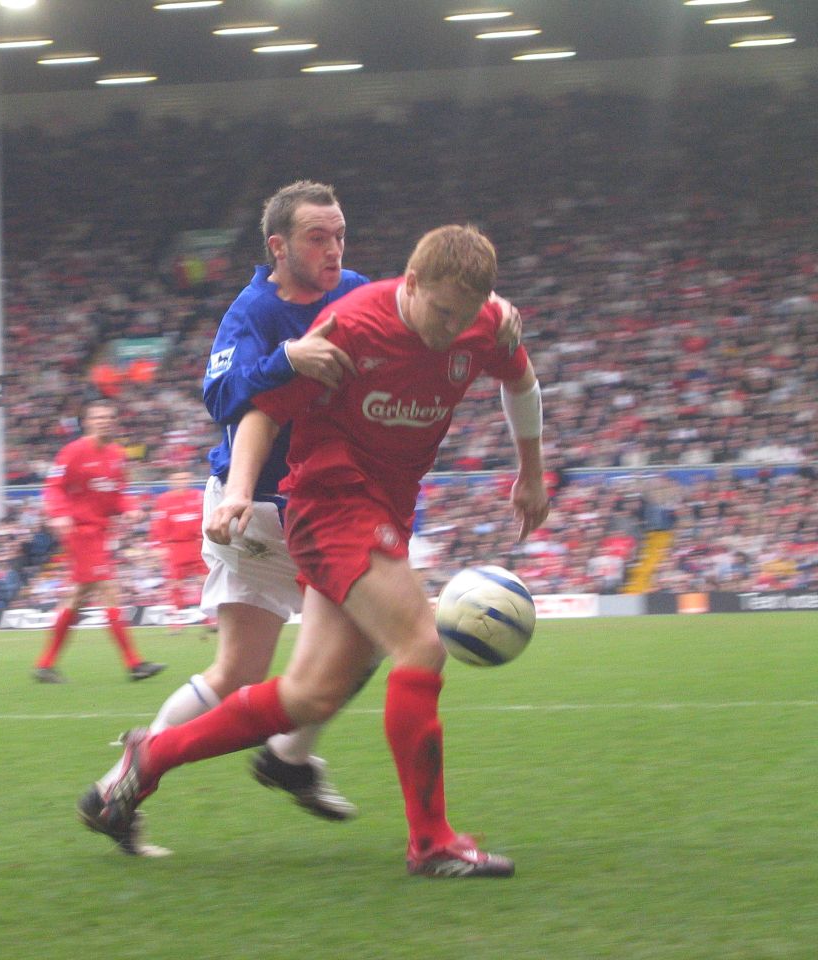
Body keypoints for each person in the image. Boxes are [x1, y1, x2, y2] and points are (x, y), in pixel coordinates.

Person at [81, 224, 549, 878]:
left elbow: (521, 381)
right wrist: (239, 491)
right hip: (330, 503)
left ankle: (149, 760)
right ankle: (432, 843)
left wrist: (531, 471)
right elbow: (262, 411)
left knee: (310, 696)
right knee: (421, 642)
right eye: (442, 312)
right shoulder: (350, 329)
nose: (452, 328)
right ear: (411, 285)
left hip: (386, 509)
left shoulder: (484, 321)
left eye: (466, 315)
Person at [33, 399, 166, 683]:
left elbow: (118, 492)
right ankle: (134, 664)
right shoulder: (73, 452)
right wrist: (58, 515)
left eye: (108, 417)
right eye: (98, 417)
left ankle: (44, 665)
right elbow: (53, 487)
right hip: (81, 533)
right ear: (87, 422)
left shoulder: (116, 455)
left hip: (100, 533)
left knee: (78, 598)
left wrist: (130, 508)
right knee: (108, 590)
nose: (104, 421)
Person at [147, 469, 209, 633]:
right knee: (175, 584)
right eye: (178, 478)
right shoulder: (163, 500)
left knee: (205, 581)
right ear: (171, 481)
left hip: (197, 544)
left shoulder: (199, 496)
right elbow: (158, 525)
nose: (181, 481)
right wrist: (158, 546)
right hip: (175, 546)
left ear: (190, 479)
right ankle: (176, 621)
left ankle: (209, 618)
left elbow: (207, 517)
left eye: (184, 477)